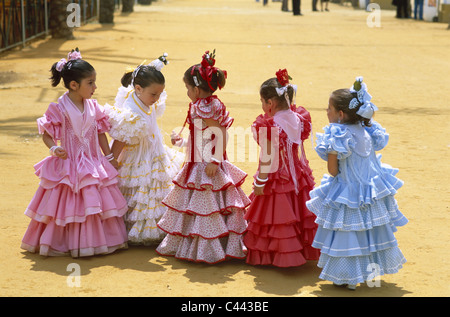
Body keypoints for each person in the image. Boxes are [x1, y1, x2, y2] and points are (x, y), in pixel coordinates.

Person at [21, 48, 128, 257]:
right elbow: (46, 133)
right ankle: (66, 242)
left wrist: (108, 158)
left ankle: (96, 241)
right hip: (68, 165)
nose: (95, 87)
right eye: (91, 83)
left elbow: (100, 134)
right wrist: (54, 147)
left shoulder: (93, 107)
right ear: (73, 85)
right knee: (65, 206)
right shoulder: (58, 108)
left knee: (94, 205)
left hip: (93, 162)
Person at [306, 77, 408, 290]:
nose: (326, 111)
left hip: (348, 192)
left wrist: (332, 155)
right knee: (370, 231)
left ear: (341, 115)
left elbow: (333, 171)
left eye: (329, 108)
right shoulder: (368, 130)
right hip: (371, 191)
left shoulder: (338, 134)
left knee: (348, 232)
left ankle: (345, 275)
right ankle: (369, 273)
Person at [156, 50, 250, 264]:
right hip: (201, 161)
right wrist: (182, 142)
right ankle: (209, 246)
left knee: (206, 204)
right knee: (205, 206)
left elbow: (220, 134)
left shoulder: (205, 107)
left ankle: (207, 248)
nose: (187, 92)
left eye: (188, 88)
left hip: (207, 164)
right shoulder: (206, 105)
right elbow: (202, 136)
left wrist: (215, 161)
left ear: (197, 89)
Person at [104, 54, 184, 246]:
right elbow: (120, 139)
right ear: (138, 88)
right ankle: (140, 232)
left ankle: (162, 226)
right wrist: (110, 161)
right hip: (138, 160)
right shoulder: (131, 114)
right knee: (142, 194)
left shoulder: (142, 97)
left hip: (155, 153)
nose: (156, 99)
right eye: (153, 95)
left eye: (159, 94)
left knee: (157, 191)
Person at [244, 69, 320, 267]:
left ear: (270, 103)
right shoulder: (299, 118)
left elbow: (268, 159)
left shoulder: (270, 125)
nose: (262, 107)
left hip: (277, 177)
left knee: (277, 217)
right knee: (297, 212)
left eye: (263, 102)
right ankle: (300, 252)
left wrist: (260, 181)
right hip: (298, 174)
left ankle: (275, 255)